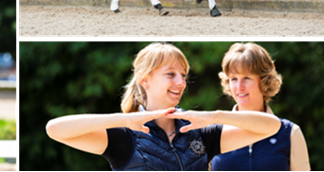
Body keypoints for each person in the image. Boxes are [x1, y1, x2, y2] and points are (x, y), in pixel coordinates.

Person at [46, 42, 282, 171]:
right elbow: (54, 129)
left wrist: (213, 117)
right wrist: (123, 120)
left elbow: (272, 126)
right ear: (145, 80)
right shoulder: (123, 138)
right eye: (171, 74)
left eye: (183, 75)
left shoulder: (200, 133)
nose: (180, 82)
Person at [211, 42, 311, 170]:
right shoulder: (214, 134)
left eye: (247, 78)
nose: (239, 87)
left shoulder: (291, 133)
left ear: (264, 80)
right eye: (234, 79)